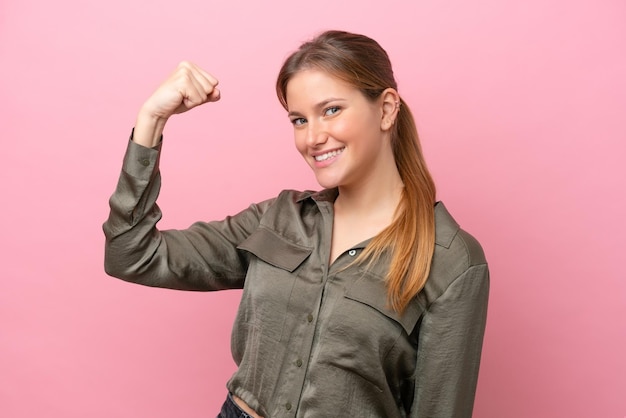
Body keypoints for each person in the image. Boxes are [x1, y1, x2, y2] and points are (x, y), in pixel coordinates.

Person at [103, 30, 489, 418]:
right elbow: (131, 254)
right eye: (299, 120)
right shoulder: (278, 219)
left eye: (332, 110)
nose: (313, 138)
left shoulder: (452, 262)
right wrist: (151, 120)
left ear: (387, 109)